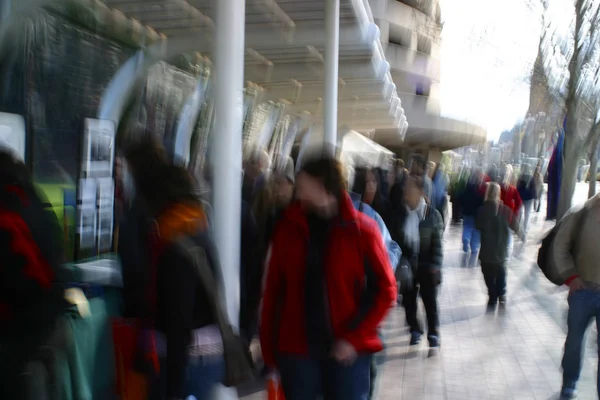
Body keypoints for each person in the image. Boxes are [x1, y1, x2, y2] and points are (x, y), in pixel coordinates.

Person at [260, 155, 397, 400]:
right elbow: (273, 292)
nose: (298, 193)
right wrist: (269, 355)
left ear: (323, 185)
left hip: (348, 351)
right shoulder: (286, 229)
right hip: (297, 352)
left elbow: (386, 290)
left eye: (303, 186)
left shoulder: (362, 230)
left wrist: (353, 338)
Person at [123, 140, 225, 400]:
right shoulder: (197, 228)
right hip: (202, 356)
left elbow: (179, 316)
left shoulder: (174, 243)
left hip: (185, 359)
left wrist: (174, 387)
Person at [0, 149, 68, 399]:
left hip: (22, 334)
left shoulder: (5, 214)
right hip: (51, 322)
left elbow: (16, 281)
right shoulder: (32, 199)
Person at [554, 194, 600, 399]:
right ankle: (569, 382)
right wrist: (571, 276)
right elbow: (560, 244)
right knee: (574, 342)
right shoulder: (582, 212)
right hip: (583, 291)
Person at [396, 175, 444, 349]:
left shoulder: (432, 214)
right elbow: (398, 242)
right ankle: (414, 330)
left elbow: (438, 244)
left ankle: (433, 333)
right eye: (405, 188)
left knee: (429, 302)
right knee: (408, 301)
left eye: (410, 188)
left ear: (420, 192)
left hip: (427, 265)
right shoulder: (402, 214)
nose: (406, 191)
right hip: (408, 265)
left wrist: (436, 265)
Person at [475, 183, 523, 310]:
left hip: (486, 250)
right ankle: (501, 293)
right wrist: (522, 235)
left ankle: (492, 296)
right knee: (501, 272)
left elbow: (477, 225)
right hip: (501, 249)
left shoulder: (481, 210)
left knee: (487, 273)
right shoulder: (506, 210)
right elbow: (515, 225)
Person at [460, 169, 485, 267]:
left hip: (467, 212)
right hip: (477, 214)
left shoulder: (467, 187)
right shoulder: (481, 188)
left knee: (467, 227)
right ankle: (474, 248)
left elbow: (461, 198)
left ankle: (466, 240)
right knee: (476, 231)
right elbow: (482, 200)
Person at [516, 165, 536, 234]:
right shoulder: (531, 177)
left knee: (519, 212)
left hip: (521, 197)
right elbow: (533, 188)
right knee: (527, 214)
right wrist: (535, 197)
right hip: (529, 198)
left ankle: (517, 228)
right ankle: (525, 229)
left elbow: (517, 186)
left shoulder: (520, 176)